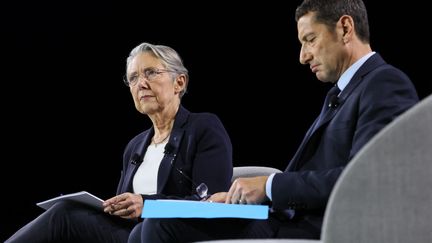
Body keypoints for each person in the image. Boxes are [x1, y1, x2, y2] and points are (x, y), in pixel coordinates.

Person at [129, 0, 419, 242]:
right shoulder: (343, 92)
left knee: (159, 225)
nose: (303, 56)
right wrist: (239, 199)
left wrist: (269, 187)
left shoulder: (384, 83)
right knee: (147, 226)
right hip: (281, 217)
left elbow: (366, 182)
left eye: (310, 39)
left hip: (314, 227)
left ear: (345, 28)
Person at [5, 42, 233, 243]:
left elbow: (210, 203)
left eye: (151, 72)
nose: (141, 84)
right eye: (133, 78)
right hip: (131, 234)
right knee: (64, 212)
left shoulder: (203, 127)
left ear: (179, 82)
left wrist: (147, 205)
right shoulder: (135, 145)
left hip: (174, 233)